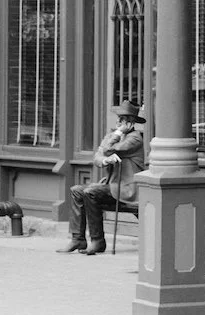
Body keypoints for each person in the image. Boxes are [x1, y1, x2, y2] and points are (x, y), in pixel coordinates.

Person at [57, 97, 147, 255]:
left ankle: (97, 241)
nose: (119, 121)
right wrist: (106, 160)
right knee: (77, 190)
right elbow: (98, 156)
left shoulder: (135, 138)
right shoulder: (113, 136)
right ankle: (78, 239)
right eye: (119, 117)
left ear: (131, 122)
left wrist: (116, 137)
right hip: (112, 186)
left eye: (124, 118)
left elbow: (109, 149)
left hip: (127, 189)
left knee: (91, 192)